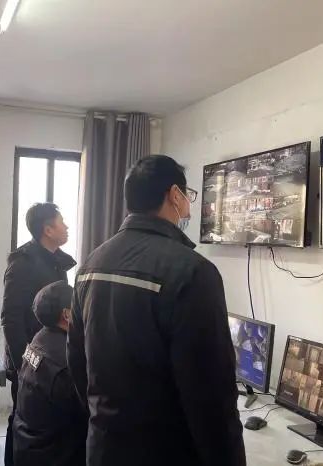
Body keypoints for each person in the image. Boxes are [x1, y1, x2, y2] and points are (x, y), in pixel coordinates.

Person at [67, 155, 246, 466]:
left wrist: (103, 418)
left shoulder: (92, 262)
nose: (188, 205)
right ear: (174, 195)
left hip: (103, 447)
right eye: (188, 195)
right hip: (166, 452)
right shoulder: (193, 271)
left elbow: (77, 360)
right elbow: (212, 396)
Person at [1, 203, 76, 466]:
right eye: (62, 222)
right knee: (22, 421)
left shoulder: (57, 262)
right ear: (47, 230)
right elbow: (10, 318)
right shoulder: (22, 263)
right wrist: (23, 363)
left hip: (53, 357)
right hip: (31, 360)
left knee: (47, 430)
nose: (67, 227)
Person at [13, 281, 87, 466]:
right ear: (67, 315)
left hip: (27, 446)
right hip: (54, 455)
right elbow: (89, 412)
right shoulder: (65, 363)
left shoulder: (39, 339)